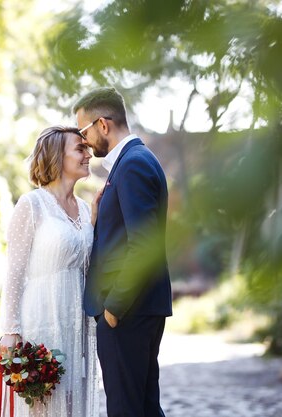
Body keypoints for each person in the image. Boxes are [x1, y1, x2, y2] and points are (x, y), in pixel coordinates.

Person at [74, 87, 172, 417]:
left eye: (83, 131)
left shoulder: (133, 165)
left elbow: (144, 244)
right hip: (138, 308)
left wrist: (114, 307)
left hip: (128, 309)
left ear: (103, 124)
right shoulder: (134, 161)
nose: (83, 141)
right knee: (142, 407)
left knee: (126, 409)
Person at [0, 126, 101, 417]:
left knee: (71, 404)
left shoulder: (83, 208)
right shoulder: (31, 205)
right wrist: (10, 331)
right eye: (80, 149)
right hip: (41, 320)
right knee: (43, 406)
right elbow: (14, 272)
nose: (88, 154)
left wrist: (94, 219)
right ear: (57, 156)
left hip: (77, 323)